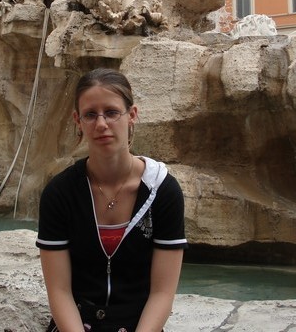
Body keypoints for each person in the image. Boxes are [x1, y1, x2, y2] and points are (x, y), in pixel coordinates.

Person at [36, 68, 187, 332]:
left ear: (132, 115)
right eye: (90, 115)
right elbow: (59, 291)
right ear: (77, 120)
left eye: (112, 112)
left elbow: (162, 293)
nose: (102, 124)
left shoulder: (163, 190)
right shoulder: (60, 193)